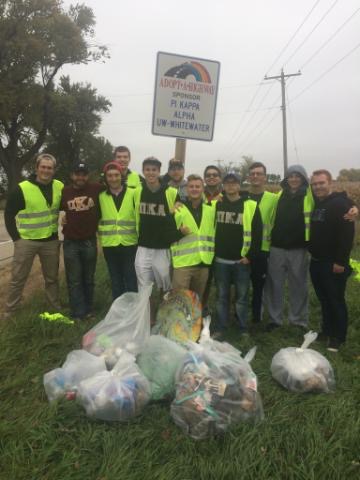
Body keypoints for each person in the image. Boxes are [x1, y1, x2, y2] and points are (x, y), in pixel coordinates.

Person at [3, 153, 63, 317]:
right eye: (43, 167)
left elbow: (68, 205)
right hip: (27, 242)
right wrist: (16, 239)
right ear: (36, 168)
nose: (46, 170)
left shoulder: (59, 186)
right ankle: (11, 312)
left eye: (49, 168)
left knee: (51, 278)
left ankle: (54, 307)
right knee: (18, 279)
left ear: (54, 170)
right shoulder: (22, 189)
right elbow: (9, 214)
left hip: (50, 241)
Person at [309, 170, 354, 352]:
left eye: (321, 183)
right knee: (324, 299)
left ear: (330, 183)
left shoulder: (340, 204)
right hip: (317, 261)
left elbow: (347, 235)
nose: (318, 187)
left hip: (333, 263)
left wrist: (340, 262)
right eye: (315, 184)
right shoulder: (317, 203)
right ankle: (326, 331)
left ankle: (338, 337)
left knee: (336, 300)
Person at [213, 173, 261, 336]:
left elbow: (258, 233)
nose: (231, 186)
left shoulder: (250, 205)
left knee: (242, 298)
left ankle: (242, 328)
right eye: (227, 183)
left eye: (234, 183)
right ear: (223, 186)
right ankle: (221, 327)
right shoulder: (216, 204)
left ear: (239, 185)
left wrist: (250, 256)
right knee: (221, 297)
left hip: (241, 261)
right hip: (220, 259)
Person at [60, 161, 104, 320]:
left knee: (88, 279)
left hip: (89, 241)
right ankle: (78, 313)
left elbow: (117, 187)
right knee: (74, 280)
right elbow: (55, 209)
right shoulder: (64, 192)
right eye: (77, 174)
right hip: (71, 242)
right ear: (72, 175)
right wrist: (62, 218)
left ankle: (89, 309)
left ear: (88, 175)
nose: (80, 177)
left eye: (83, 174)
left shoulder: (97, 188)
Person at [134, 157, 180, 293]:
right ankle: (146, 313)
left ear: (159, 171)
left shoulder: (171, 192)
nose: (150, 173)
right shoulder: (138, 191)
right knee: (143, 286)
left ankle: (164, 311)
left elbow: (182, 211)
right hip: (143, 245)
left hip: (163, 246)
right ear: (143, 171)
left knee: (165, 285)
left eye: (154, 170)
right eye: (147, 170)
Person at [171, 175, 216, 301]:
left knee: (196, 300)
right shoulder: (178, 209)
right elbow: (167, 234)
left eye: (197, 186)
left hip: (203, 263)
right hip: (183, 264)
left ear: (203, 189)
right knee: (179, 300)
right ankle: (178, 322)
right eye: (191, 186)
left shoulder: (211, 210)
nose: (194, 189)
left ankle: (195, 321)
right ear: (186, 189)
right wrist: (180, 232)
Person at [98, 162, 138, 300]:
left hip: (130, 244)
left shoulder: (134, 193)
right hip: (110, 245)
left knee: (131, 279)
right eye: (110, 176)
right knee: (116, 280)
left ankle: (133, 310)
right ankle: (119, 312)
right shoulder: (101, 196)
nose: (113, 178)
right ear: (106, 178)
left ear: (122, 176)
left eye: (116, 175)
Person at [247, 162, 278, 324]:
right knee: (242, 285)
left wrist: (350, 204)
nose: (255, 176)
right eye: (252, 173)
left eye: (259, 173)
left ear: (265, 177)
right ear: (248, 177)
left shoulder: (274, 198)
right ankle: (241, 315)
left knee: (259, 286)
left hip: (263, 249)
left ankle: (256, 317)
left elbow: (301, 197)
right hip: (243, 250)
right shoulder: (241, 197)